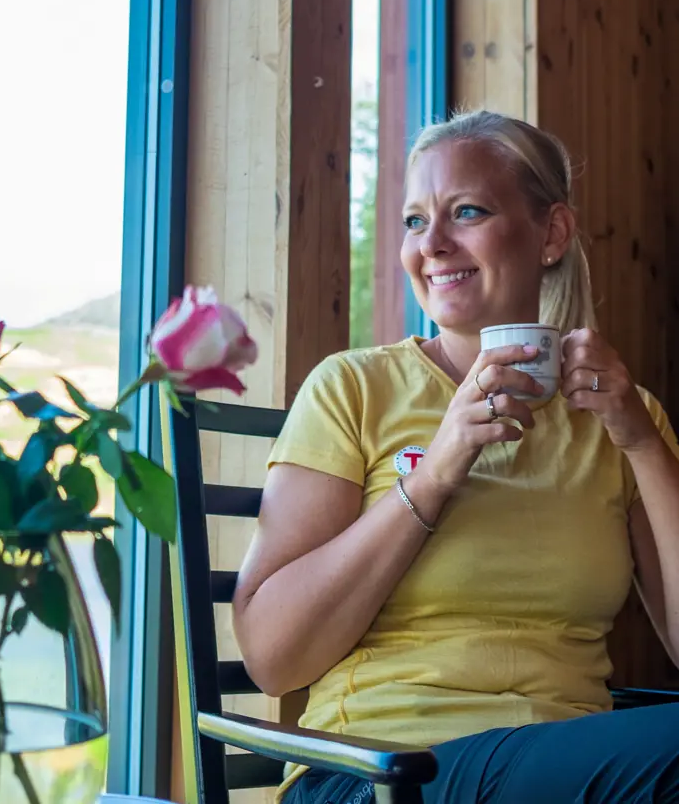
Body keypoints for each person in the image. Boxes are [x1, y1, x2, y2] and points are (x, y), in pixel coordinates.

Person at [232, 110, 679, 803]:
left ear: (552, 233)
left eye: (465, 211)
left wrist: (644, 444)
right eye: (415, 221)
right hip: (383, 775)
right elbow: (271, 656)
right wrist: (438, 467)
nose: (432, 244)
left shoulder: (624, 417)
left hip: (560, 768)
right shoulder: (352, 387)